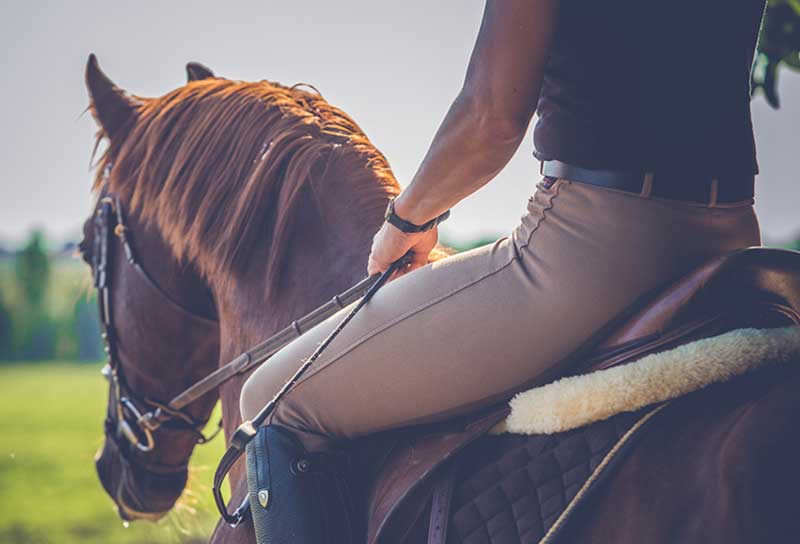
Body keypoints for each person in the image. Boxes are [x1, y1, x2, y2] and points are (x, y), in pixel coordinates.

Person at [239, 0, 765, 541]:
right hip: (733, 243)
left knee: (274, 400)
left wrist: (407, 219)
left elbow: (490, 117)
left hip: (596, 252)